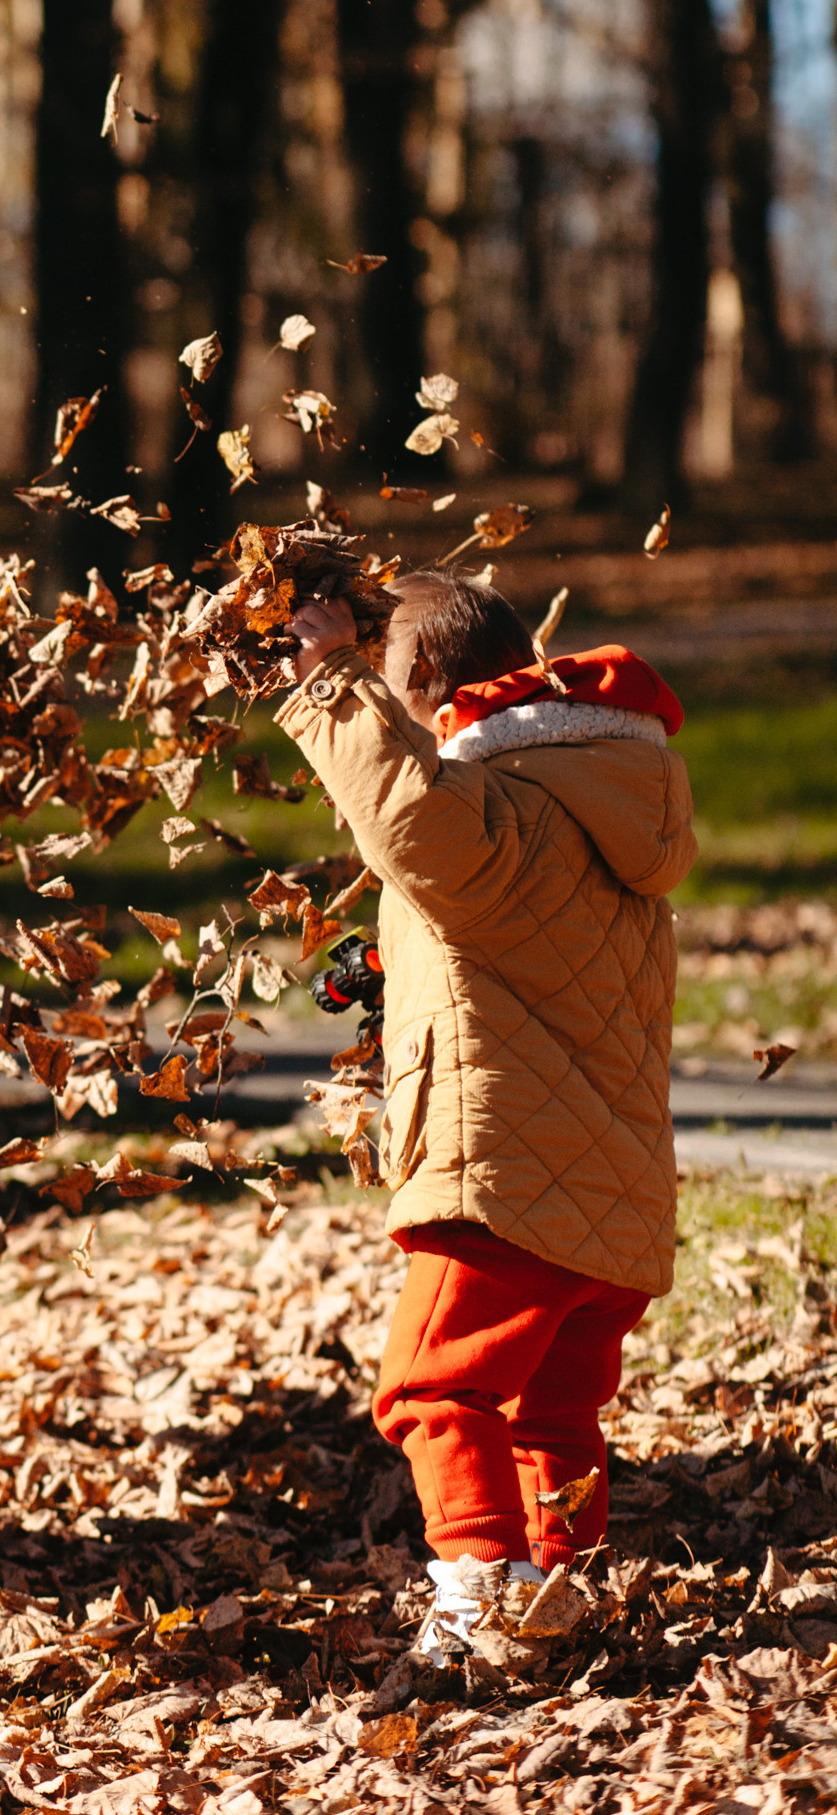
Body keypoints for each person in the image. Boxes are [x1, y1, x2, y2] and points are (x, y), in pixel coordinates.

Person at [281, 570, 694, 1678]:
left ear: (418, 685)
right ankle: (563, 1585)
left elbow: (407, 817)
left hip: (503, 1178)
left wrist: (326, 682)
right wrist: (391, 962)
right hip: (608, 1198)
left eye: (382, 679)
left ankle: (478, 1596)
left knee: (428, 1384)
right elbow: (530, 937)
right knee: (550, 1415)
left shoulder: (491, 798)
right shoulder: (595, 796)